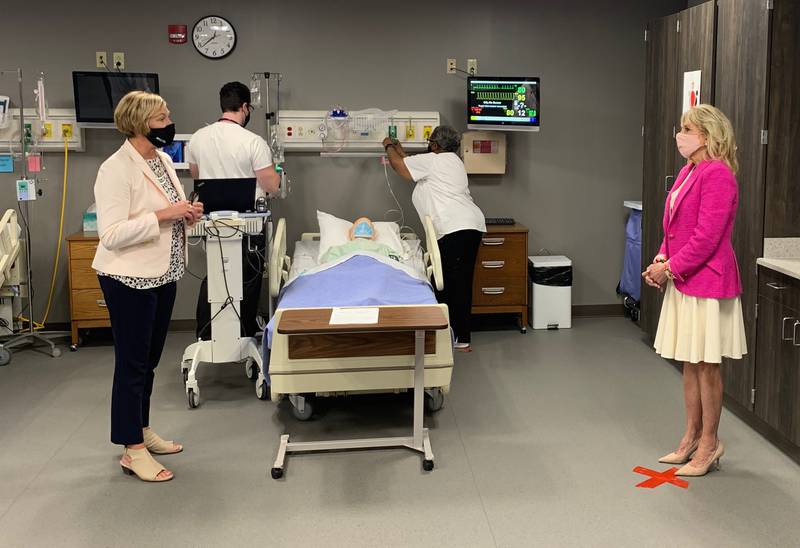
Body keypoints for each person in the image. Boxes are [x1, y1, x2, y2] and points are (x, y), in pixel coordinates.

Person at [93, 91, 203, 482]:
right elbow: (111, 234)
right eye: (162, 117)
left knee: (150, 361)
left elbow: (167, 213)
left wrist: (186, 215)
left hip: (163, 274)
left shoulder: (161, 161)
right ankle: (131, 450)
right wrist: (165, 214)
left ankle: (140, 430)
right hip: (128, 278)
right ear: (141, 123)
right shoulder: (115, 168)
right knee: (132, 364)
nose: (168, 121)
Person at [642, 104, 746, 477]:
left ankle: (710, 444)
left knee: (707, 366)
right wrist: (661, 256)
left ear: (708, 135)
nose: (680, 136)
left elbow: (707, 238)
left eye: (687, 129)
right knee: (689, 362)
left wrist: (668, 269)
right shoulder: (690, 171)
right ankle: (690, 437)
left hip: (708, 282)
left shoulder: (718, 174)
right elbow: (676, 227)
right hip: (685, 278)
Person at [186, 81, 280, 339]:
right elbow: (271, 185)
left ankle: (206, 334)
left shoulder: (197, 139)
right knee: (248, 276)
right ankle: (243, 334)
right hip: (248, 222)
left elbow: (197, 176)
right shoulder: (253, 142)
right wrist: (279, 178)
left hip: (210, 222)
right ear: (245, 107)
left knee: (216, 274)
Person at [383, 126, 486, 352]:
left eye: (431, 142)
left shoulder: (435, 161)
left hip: (455, 228)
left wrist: (388, 146)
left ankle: (448, 338)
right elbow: (411, 163)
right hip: (470, 226)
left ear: (435, 146)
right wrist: (400, 149)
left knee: (449, 283)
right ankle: (458, 337)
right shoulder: (451, 161)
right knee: (460, 282)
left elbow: (399, 166)